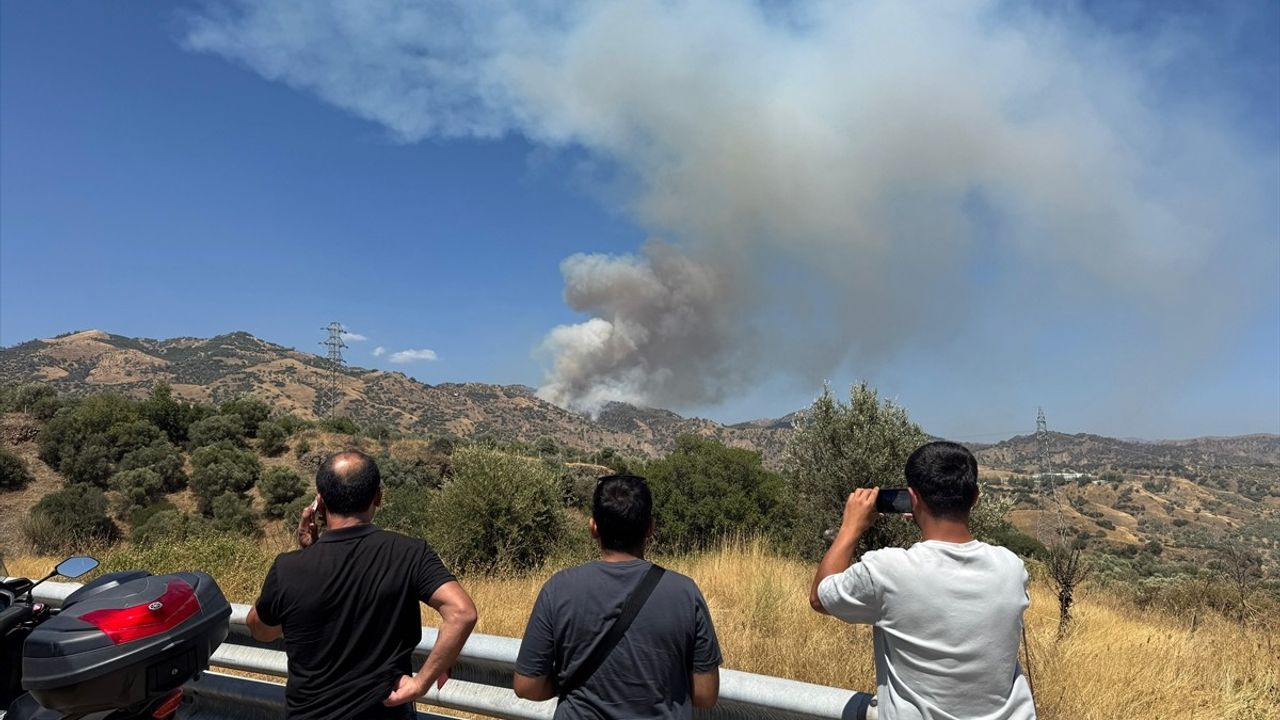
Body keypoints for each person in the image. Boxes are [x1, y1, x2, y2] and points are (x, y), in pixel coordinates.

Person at [809, 441, 1036, 720]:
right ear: (975, 497)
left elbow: (820, 598)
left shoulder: (887, 570)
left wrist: (850, 528)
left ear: (913, 498)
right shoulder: (1012, 568)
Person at [246, 451, 478, 720]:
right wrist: (420, 683)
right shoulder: (410, 553)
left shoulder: (288, 568)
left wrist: (308, 553)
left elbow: (261, 630)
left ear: (319, 504)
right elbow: (462, 613)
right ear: (378, 497)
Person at [514, 474, 721, 718]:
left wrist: (569, 683)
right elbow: (705, 695)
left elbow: (527, 686)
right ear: (650, 528)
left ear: (593, 527)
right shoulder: (685, 593)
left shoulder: (558, 588)